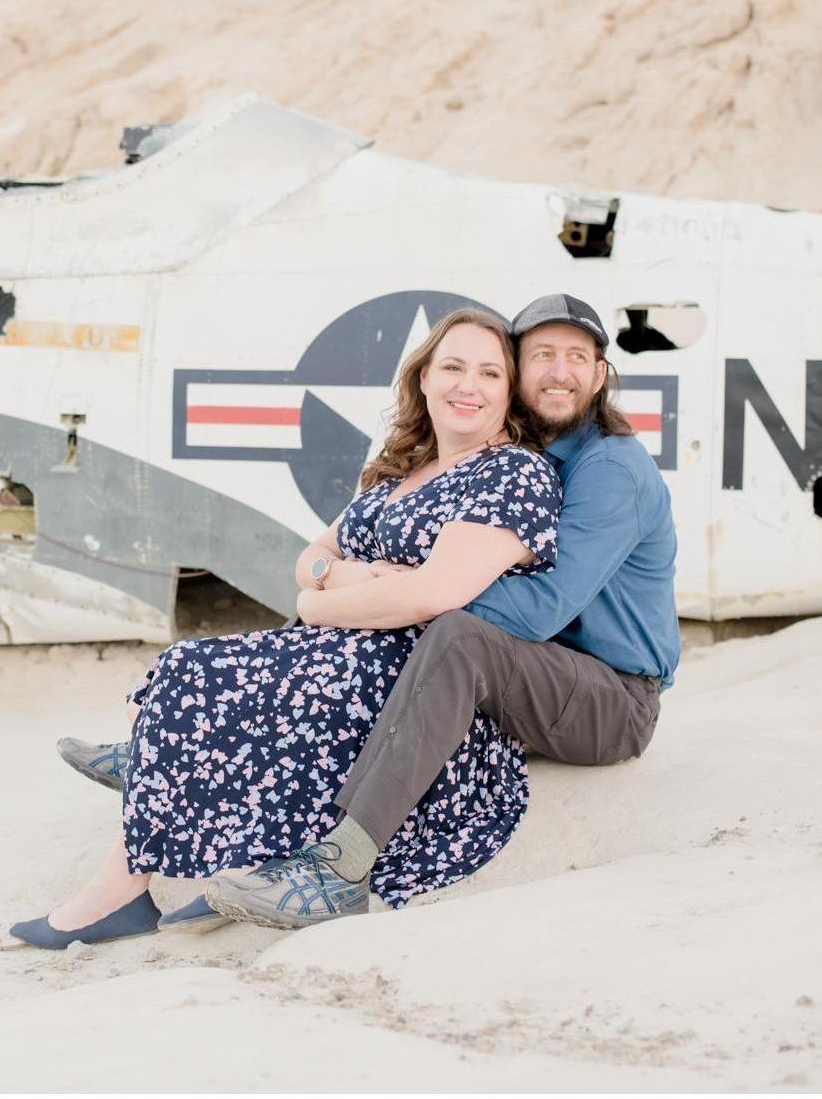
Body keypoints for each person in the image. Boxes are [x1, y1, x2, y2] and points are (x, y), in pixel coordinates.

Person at [9, 307, 561, 948]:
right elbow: (310, 557)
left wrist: (321, 599)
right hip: (337, 644)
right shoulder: (399, 469)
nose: (470, 385)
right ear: (424, 379)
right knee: (189, 665)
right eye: (454, 367)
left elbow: (433, 595)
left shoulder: (513, 474)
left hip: (412, 672)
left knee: (224, 683)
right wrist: (345, 576)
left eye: (490, 372)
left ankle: (137, 870)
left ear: (508, 391)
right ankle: (141, 874)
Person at [204, 292, 680, 930]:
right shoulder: (522, 457)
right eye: (541, 355)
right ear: (517, 370)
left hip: (612, 698)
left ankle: (340, 871)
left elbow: (538, 610)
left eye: (576, 357)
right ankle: (214, 773)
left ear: (599, 375)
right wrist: (364, 586)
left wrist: (418, 588)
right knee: (382, 653)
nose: (558, 371)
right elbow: (342, 549)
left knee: (453, 634)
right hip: (537, 674)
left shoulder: (610, 468)